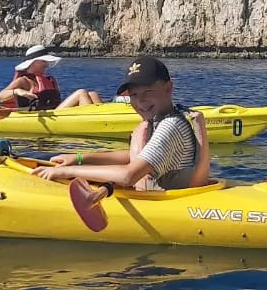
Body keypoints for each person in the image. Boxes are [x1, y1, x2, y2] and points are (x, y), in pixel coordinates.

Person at [33, 56, 211, 190]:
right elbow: (135, 157)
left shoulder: (170, 125)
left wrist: (66, 172)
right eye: (134, 95)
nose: (141, 101)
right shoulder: (158, 120)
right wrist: (79, 158)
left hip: (173, 206)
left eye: (148, 91)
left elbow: (128, 176)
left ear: (168, 88)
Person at [0, 45, 102, 110]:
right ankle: (97, 122)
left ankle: (107, 117)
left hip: (55, 112)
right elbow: (1, 96)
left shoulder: (51, 80)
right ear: (33, 63)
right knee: (81, 92)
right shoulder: (23, 81)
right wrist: (17, 91)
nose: (47, 65)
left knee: (93, 94)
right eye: (44, 61)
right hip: (39, 116)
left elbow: (57, 102)